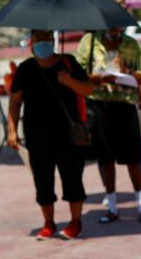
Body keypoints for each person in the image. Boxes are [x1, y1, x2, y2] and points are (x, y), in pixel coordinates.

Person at [6, 29, 94, 240]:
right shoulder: (25, 68)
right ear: (31, 42)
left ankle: (75, 222)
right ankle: (48, 223)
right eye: (38, 38)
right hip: (36, 134)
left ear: (53, 40)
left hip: (68, 135)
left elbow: (88, 89)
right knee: (42, 180)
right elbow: (15, 100)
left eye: (47, 38)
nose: (43, 42)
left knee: (72, 177)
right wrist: (11, 130)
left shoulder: (68, 62)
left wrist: (69, 81)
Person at [75, 28, 141, 223]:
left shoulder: (131, 44)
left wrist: (125, 74)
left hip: (124, 104)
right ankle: (111, 205)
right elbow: (78, 72)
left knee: (133, 157)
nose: (114, 28)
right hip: (99, 104)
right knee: (105, 157)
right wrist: (99, 78)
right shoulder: (89, 41)